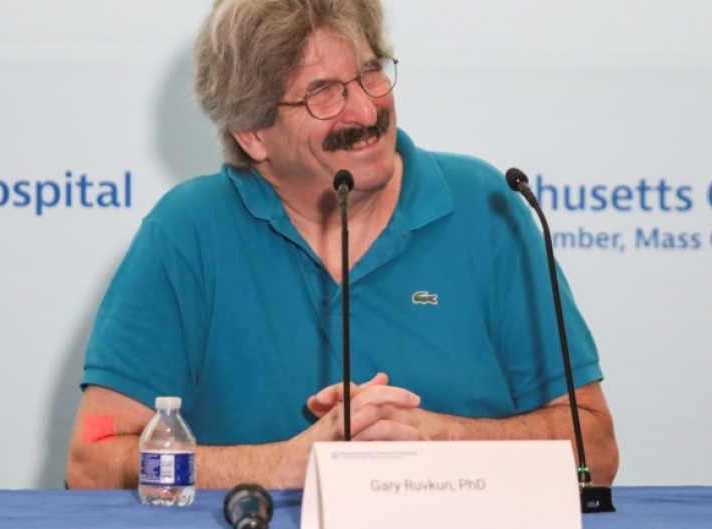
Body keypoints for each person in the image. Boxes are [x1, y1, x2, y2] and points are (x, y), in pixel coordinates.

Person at [66, 0, 618, 490]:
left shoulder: (484, 206)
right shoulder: (187, 231)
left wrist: (435, 437)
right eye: (322, 94)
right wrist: (284, 464)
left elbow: (593, 446)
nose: (366, 110)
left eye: (371, 72)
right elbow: (95, 453)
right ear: (253, 133)